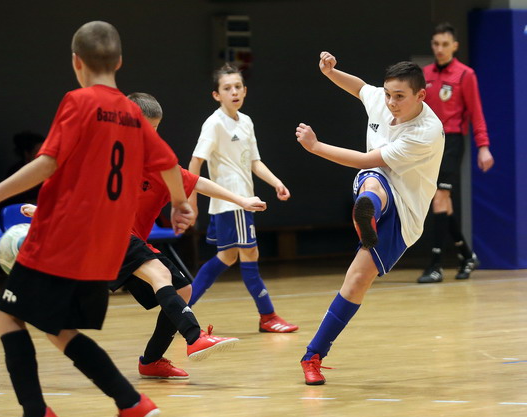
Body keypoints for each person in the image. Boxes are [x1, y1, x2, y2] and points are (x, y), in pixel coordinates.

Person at [0, 21, 194, 417]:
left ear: (76, 62)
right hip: (105, 248)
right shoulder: (134, 114)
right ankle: (130, 404)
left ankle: (40, 414)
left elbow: (47, 163)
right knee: (58, 328)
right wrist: (179, 203)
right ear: (119, 62)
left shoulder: (79, 101)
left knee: (7, 314)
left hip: (62, 237)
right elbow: (168, 163)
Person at [21, 92, 265, 379]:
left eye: (155, 129)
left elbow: (197, 181)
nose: (149, 136)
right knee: (161, 274)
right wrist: (44, 212)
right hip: (106, 236)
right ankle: (194, 336)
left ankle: (151, 361)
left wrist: (241, 200)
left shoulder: (160, 165)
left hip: (131, 240)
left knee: (183, 290)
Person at [295, 52, 444, 385]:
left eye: (399, 97)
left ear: (421, 95)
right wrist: (331, 72)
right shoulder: (383, 99)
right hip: (376, 183)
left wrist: (316, 147)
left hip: (406, 213)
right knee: (373, 182)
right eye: (388, 94)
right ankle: (368, 212)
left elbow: (364, 158)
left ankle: (369, 219)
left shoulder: (426, 132)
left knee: (357, 281)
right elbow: (361, 88)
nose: (391, 102)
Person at [187, 63, 298, 333]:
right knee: (249, 254)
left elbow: (254, 162)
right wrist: (190, 201)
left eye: (238, 87)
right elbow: (194, 162)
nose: (234, 92)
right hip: (232, 202)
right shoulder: (214, 124)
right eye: (227, 88)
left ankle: (181, 310)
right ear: (217, 95)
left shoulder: (246, 121)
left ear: (245, 90)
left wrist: (276, 182)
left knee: (227, 257)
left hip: (242, 201)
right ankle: (268, 316)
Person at [417, 22, 495, 283]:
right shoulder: (425, 74)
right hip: (429, 143)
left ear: (455, 46)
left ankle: (436, 265)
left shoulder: (465, 75)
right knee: (443, 202)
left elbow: (476, 113)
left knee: (439, 198)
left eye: (445, 44)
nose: (440, 49)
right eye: (436, 44)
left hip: (451, 142)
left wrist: (483, 146)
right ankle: (466, 255)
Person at [0, 131, 45, 210]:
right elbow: (17, 200)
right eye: (39, 151)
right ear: (27, 153)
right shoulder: (16, 172)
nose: (43, 155)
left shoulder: (48, 170)